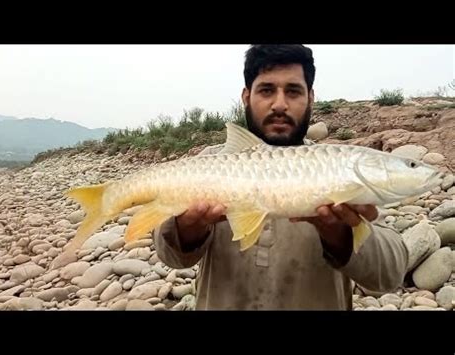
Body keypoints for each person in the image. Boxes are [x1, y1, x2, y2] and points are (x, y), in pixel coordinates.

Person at [152, 44, 408, 310]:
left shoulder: (342, 166)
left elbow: (390, 275)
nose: (280, 104)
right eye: (266, 90)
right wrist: (188, 231)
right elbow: (169, 256)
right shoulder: (210, 163)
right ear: (246, 96)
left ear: (310, 97)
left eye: (293, 91)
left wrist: (341, 234)